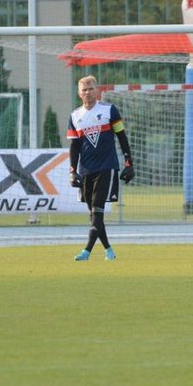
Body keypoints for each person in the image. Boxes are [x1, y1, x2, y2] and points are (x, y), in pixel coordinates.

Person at [67, 75, 134, 261]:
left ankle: (86, 251)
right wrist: (72, 171)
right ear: (79, 93)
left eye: (91, 89)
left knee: (97, 210)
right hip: (86, 170)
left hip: (106, 167)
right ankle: (109, 250)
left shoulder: (109, 110)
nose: (88, 92)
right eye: (84, 90)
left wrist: (129, 163)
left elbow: (122, 136)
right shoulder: (74, 116)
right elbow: (74, 146)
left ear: (97, 90)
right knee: (94, 215)